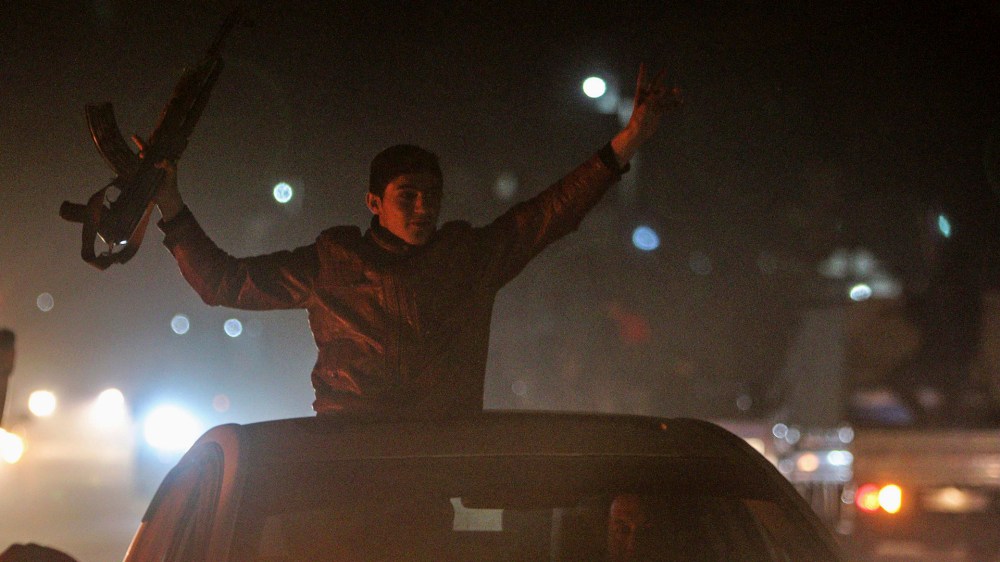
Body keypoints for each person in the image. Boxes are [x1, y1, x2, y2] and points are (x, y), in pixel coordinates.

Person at [153, 65, 681, 416]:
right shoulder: (333, 263)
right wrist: (171, 207)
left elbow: (551, 212)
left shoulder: (469, 259)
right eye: (408, 196)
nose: (424, 207)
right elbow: (223, 281)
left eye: (433, 195)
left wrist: (628, 141)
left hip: (436, 459)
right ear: (374, 202)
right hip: (349, 459)